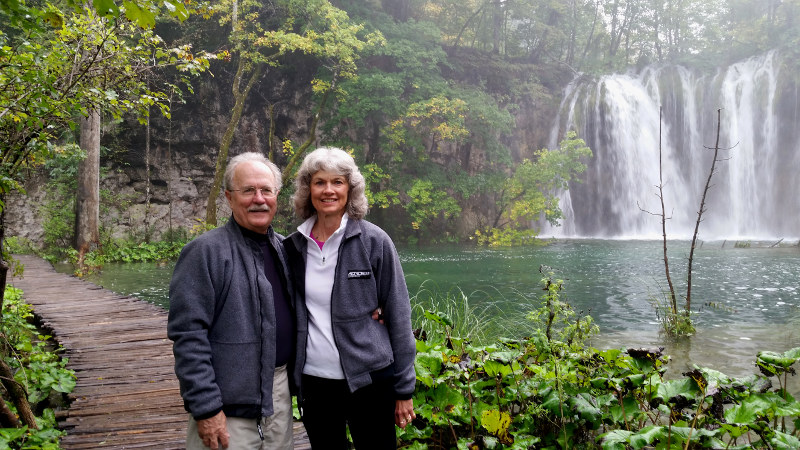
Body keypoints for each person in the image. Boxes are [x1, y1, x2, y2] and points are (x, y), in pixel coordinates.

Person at [284, 147, 417, 449]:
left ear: (350, 189)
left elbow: (398, 314)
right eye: (319, 182)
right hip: (315, 382)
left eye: (337, 182)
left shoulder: (374, 241)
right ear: (308, 189)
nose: (328, 190)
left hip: (370, 379)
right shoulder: (293, 247)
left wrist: (404, 388)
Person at [167, 152, 294, 450]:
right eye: (248, 190)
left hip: (278, 398)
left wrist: (372, 310)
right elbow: (188, 336)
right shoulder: (205, 252)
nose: (258, 199)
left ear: (277, 195)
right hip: (227, 407)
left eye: (266, 190)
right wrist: (206, 408)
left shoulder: (285, 250)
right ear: (228, 197)